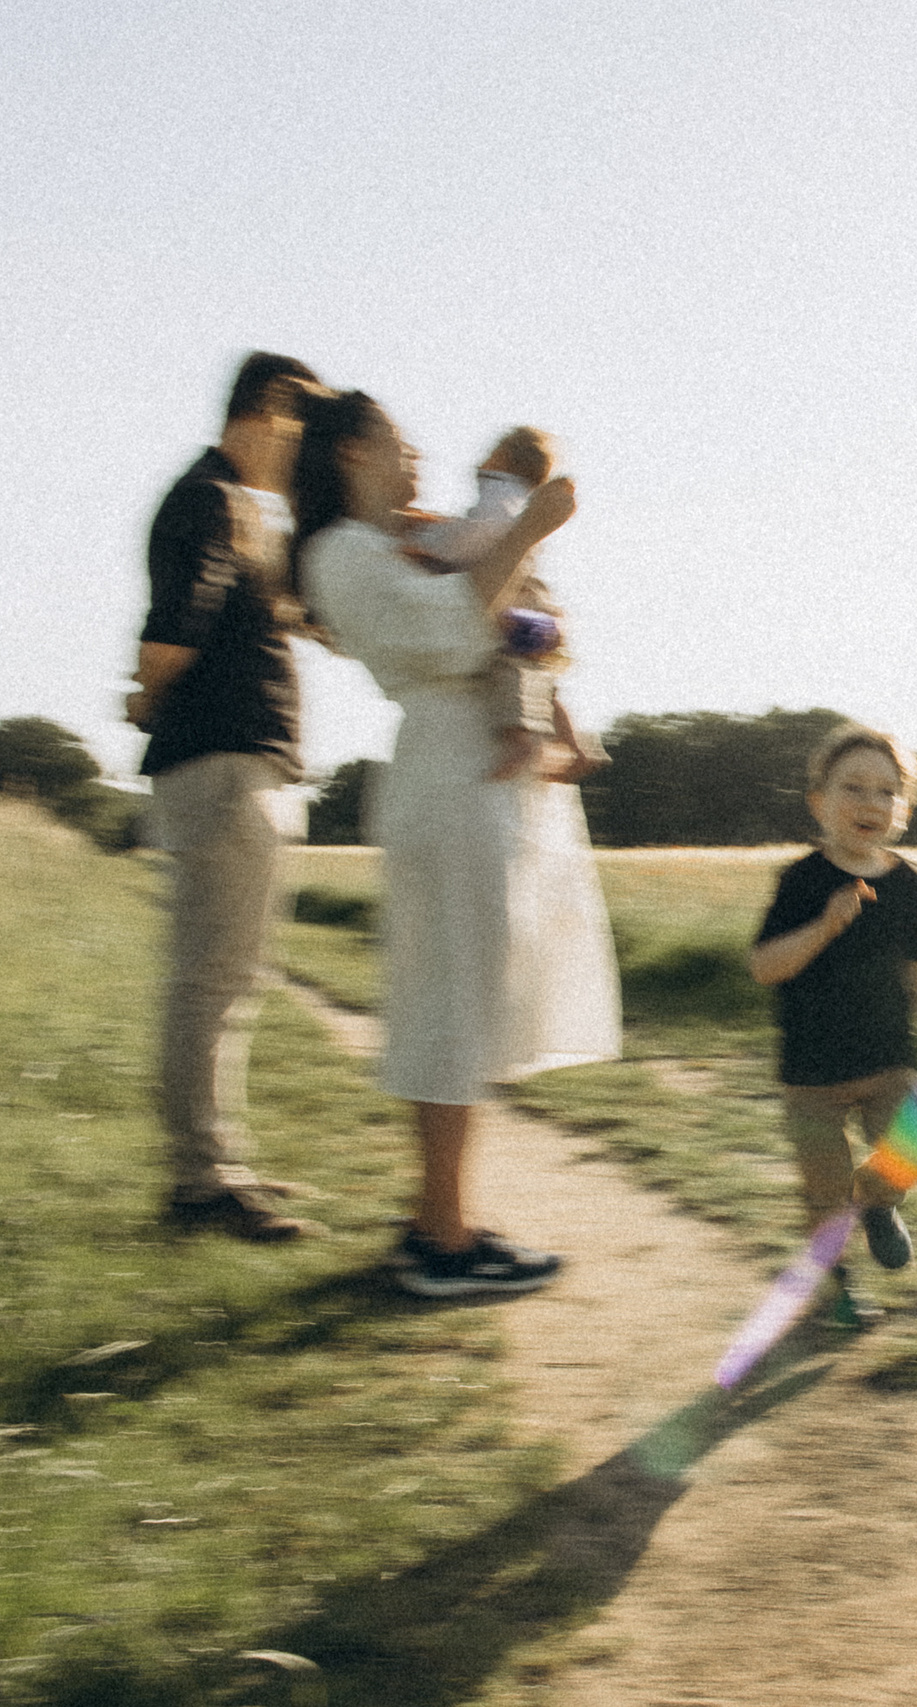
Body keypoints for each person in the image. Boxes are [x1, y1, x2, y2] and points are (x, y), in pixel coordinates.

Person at [291, 390, 621, 1297]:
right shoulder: (340, 552)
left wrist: (547, 659)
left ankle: (443, 1217)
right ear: (353, 451)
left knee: (467, 1000)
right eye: (399, 442)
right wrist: (533, 530)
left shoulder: (416, 537)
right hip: (449, 774)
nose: (417, 458)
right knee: (450, 1005)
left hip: (483, 775)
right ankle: (442, 1240)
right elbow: (449, 635)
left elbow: (524, 627)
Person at [130, 351, 329, 1242]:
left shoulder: (240, 506)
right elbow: (175, 626)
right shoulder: (212, 501)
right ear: (268, 413)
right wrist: (148, 689)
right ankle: (200, 1182)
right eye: (302, 432)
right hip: (222, 763)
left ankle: (217, 1163)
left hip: (235, 763)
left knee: (231, 977)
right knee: (212, 978)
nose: (305, 456)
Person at [750, 724, 917, 1325]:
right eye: (853, 788)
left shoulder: (908, 883)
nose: (870, 803)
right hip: (812, 1075)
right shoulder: (800, 882)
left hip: (887, 1059)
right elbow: (765, 967)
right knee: (823, 1197)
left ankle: (877, 1203)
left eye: (886, 791)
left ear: (904, 808)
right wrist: (824, 926)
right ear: (818, 802)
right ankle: (836, 1294)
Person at [406, 426, 606, 785]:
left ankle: (521, 740)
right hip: (540, 607)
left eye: (491, 449)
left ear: (504, 457)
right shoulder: (518, 496)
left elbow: (480, 530)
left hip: (518, 607)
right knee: (541, 679)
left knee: (506, 667)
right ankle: (577, 746)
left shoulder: (499, 491)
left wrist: (429, 545)